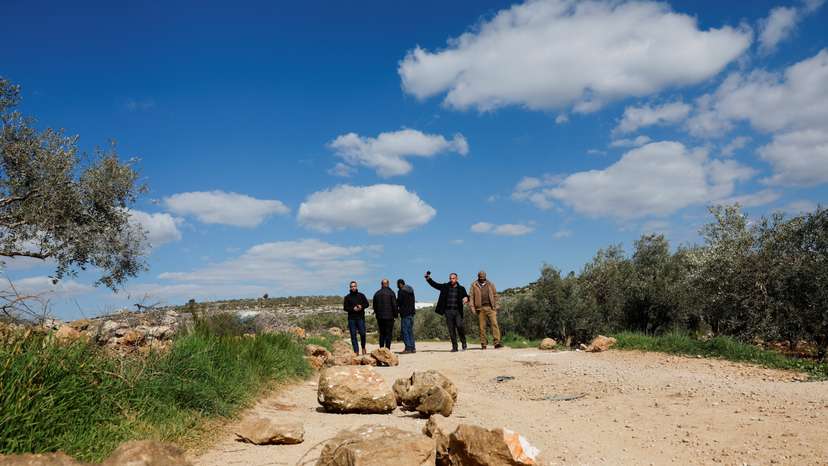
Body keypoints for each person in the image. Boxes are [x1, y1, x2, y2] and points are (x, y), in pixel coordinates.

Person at [425, 271, 469, 352]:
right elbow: (435, 285)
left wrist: (466, 298)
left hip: (458, 311)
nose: (452, 280)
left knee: (459, 326)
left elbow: (466, 296)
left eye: (453, 278)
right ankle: (455, 347)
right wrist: (428, 279)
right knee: (451, 330)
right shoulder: (445, 286)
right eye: (450, 278)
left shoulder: (461, 288)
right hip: (448, 311)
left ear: (457, 279)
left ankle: (464, 343)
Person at [469, 270, 502, 349]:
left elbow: (495, 295)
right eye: (480, 277)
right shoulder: (474, 285)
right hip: (480, 308)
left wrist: (497, 305)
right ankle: (483, 343)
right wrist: (472, 308)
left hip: (491, 308)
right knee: (482, 327)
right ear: (478, 277)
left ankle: (497, 343)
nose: (482, 278)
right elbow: (471, 297)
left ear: (485, 276)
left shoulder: (491, 284)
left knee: (494, 324)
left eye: (483, 277)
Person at [343, 280, 370, 355]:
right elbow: (345, 308)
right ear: (350, 288)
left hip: (360, 318)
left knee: (362, 333)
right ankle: (356, 351)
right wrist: (353, 309)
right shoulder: (347, 297)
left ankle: (363, 347)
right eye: (352, 287)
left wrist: (362, 306)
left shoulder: (361, 295)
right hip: (351, 319)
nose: (353, 288)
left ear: (356, 286)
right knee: (353, 335)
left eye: (354, 286)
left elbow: (367, 304)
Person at [372, 278, 397, 350]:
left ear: (381, 284)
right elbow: (394, 305)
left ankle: (381, 349)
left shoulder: (377, 293)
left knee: (382, 333)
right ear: (388, 284)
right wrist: (395, 315)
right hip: (390, 316)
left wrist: (377, 313)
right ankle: (387, 349)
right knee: (389, 334)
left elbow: (375, 306)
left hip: (380, 317)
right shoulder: (391, 293)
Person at [396, 279, 416, 353]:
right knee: (410, 331)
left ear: (400, 284)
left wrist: (396, 309)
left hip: (405, 314)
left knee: (405, 331)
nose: (397, 286)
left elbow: (399, 302)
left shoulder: (401, 291)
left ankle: (408, 348)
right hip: (411, 313)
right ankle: (413, 348)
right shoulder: (411, 291)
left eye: (397, 284)